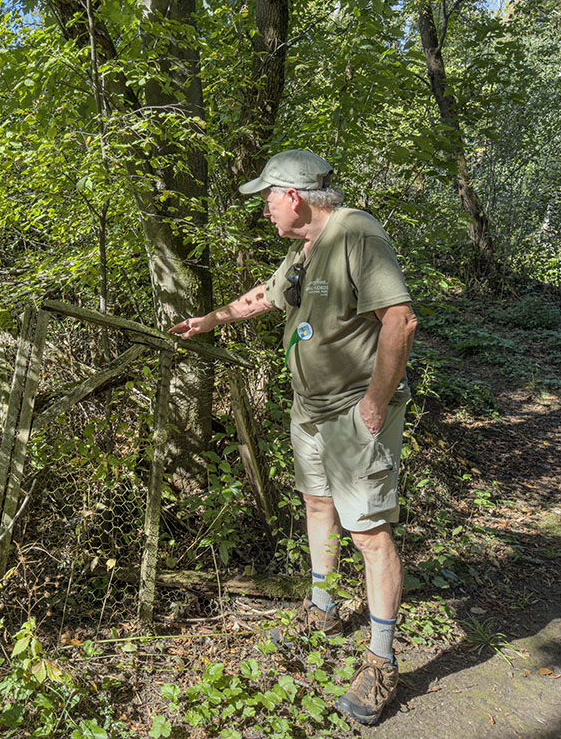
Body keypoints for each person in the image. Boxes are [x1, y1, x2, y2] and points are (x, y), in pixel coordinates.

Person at [168, 148, 417, 725]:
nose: (264, 210)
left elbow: (399, 320)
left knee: (370, 533)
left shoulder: (357, 233)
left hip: (354, 413)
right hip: (309, 410)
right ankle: (324, 605)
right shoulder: (304, 250)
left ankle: (381, 661)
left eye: (268, 197)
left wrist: (375, 404)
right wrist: (210, 320)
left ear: (294, 197)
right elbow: (265, 296)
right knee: (317, 502)